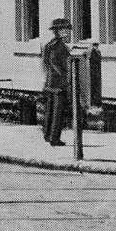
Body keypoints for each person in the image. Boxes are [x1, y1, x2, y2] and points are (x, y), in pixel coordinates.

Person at [42, 18, 72, 146]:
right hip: (58, 83)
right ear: (58, 31)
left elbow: (46, 63)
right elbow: (54, 62)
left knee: (50, 110)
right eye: (64, 30)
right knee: (57, 111)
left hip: (50, 82)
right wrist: (65, 76)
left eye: (67, 30)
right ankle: (54, 138)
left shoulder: (50, 44)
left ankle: (48, 134)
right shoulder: (58, 46)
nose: (67, 32)